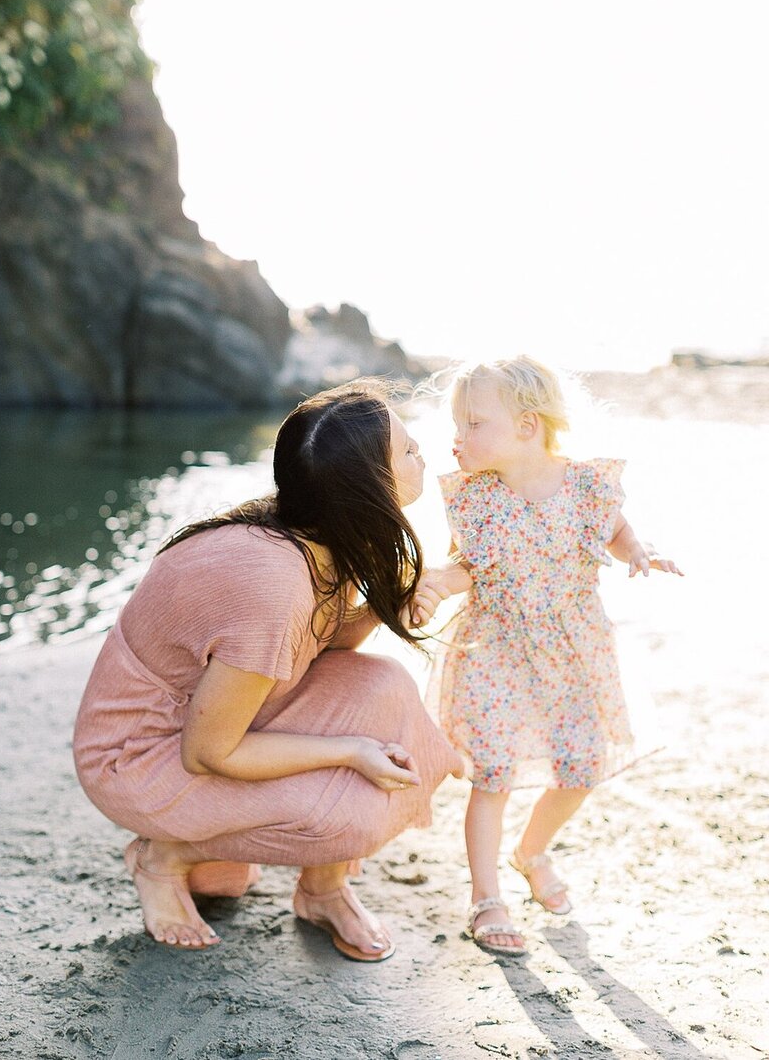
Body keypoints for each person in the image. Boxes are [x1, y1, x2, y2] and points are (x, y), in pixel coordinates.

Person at [73, 380, 463, 962]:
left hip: (213, 712)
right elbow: (207, 754)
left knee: (385, 685)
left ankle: (322, 891)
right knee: (351, 811)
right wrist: (350, 749)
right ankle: (164, 859)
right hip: (136, 755)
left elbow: (320, 640)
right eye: (407, 451)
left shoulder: (316, 529)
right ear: (367, 489)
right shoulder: (271, 581)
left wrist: (399, 598)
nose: (422, 457)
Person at [418, 357, 682, 956]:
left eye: (473, 422)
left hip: (575, 651)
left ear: (527, 426)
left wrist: (639, 548)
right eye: (457, 424)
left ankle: (531, 851)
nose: (457, 437)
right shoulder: (476, 499)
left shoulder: (588, 485)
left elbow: (613, 527)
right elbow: (470, 568)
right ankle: (487, 896)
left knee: (580, 767)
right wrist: (435, 582)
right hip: (497, 648)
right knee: (493, 774)